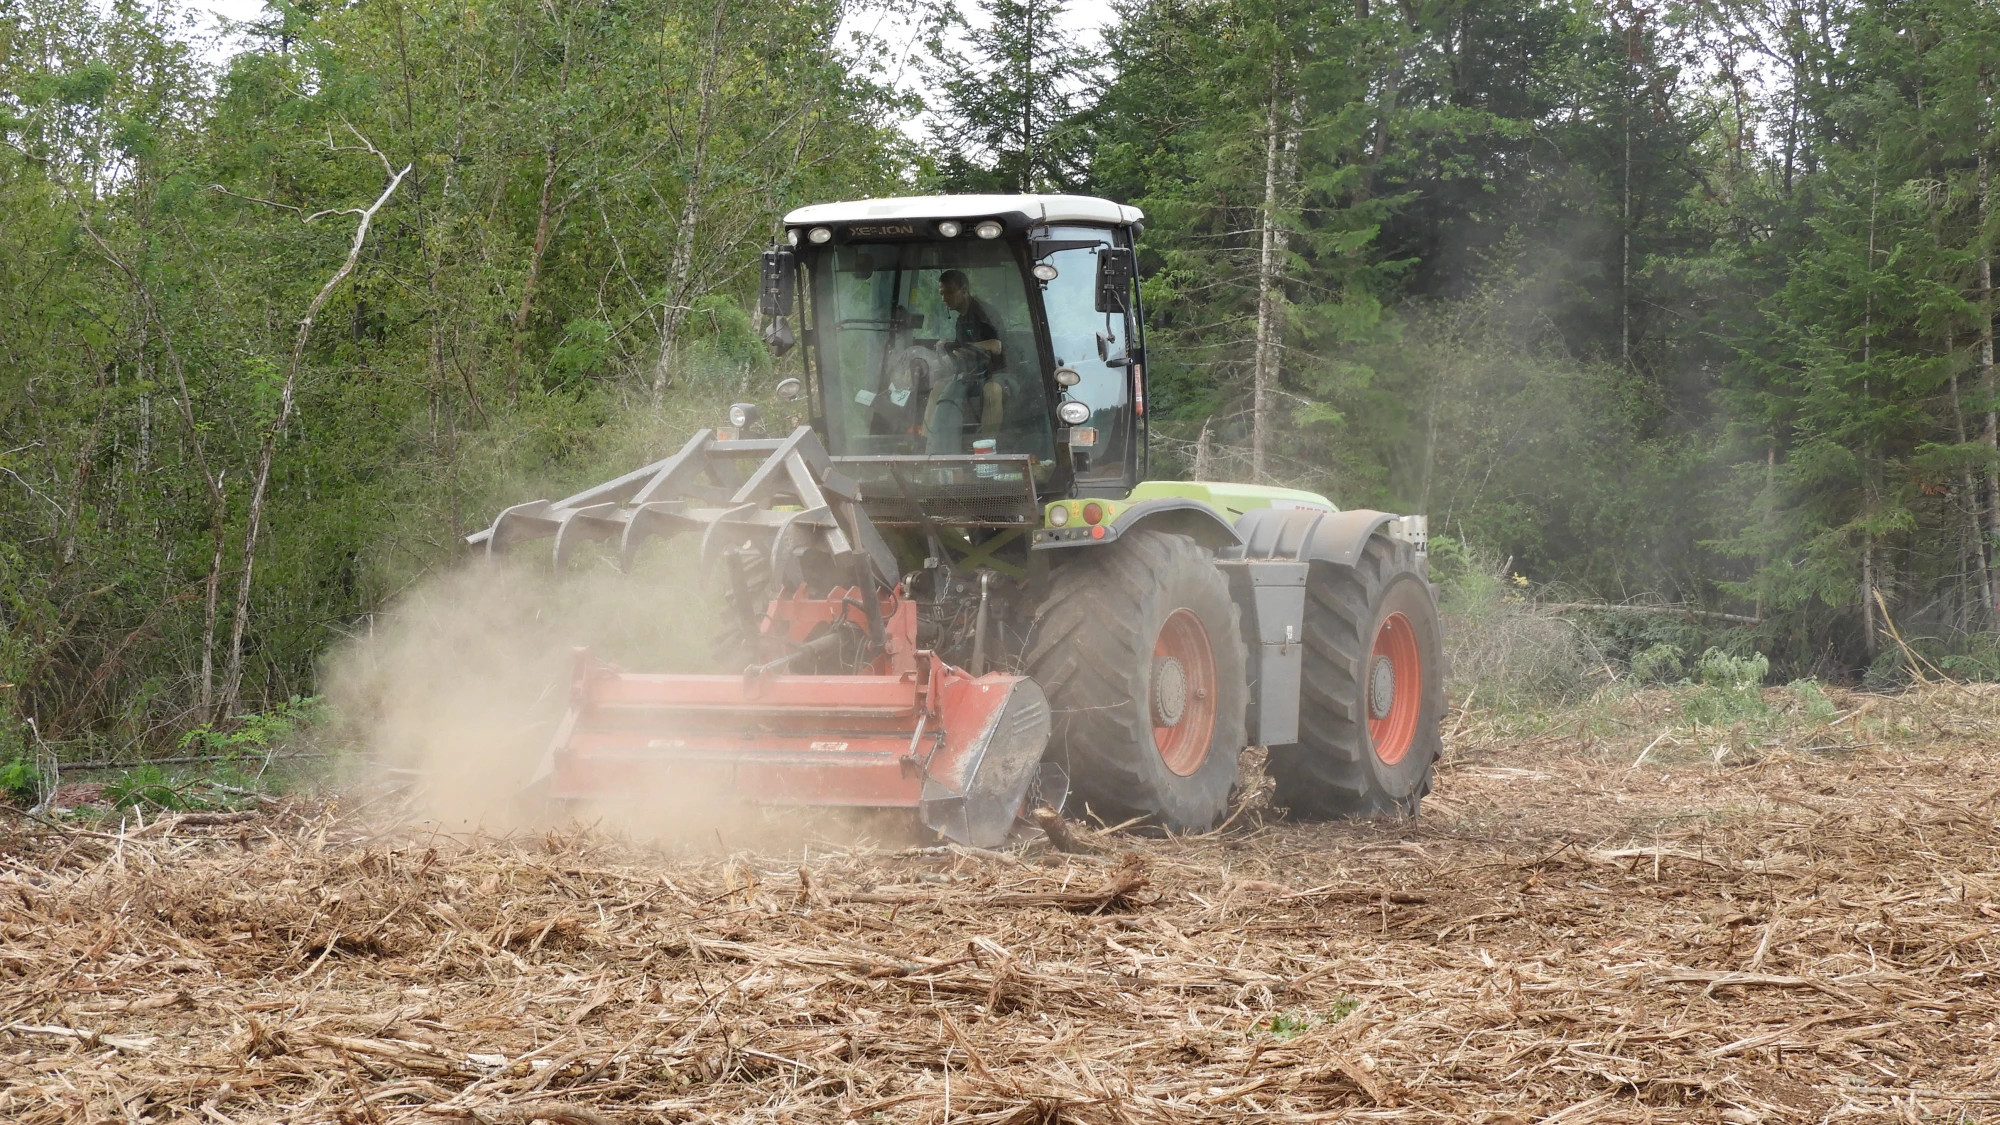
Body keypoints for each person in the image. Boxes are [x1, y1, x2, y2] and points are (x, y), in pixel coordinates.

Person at [927, 269, 1007, 452]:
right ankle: (928, 446)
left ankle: (986, 450)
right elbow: (963, 350)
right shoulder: (961, 320)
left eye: (949, 292)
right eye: (941, 293)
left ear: (964, 290)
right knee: (938, 387)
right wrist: (947, 347)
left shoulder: (983, 313)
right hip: (973, 375)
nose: (944, 298)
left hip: (998, 373)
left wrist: (969, 346)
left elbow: (996, 345)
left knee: (992, 391)